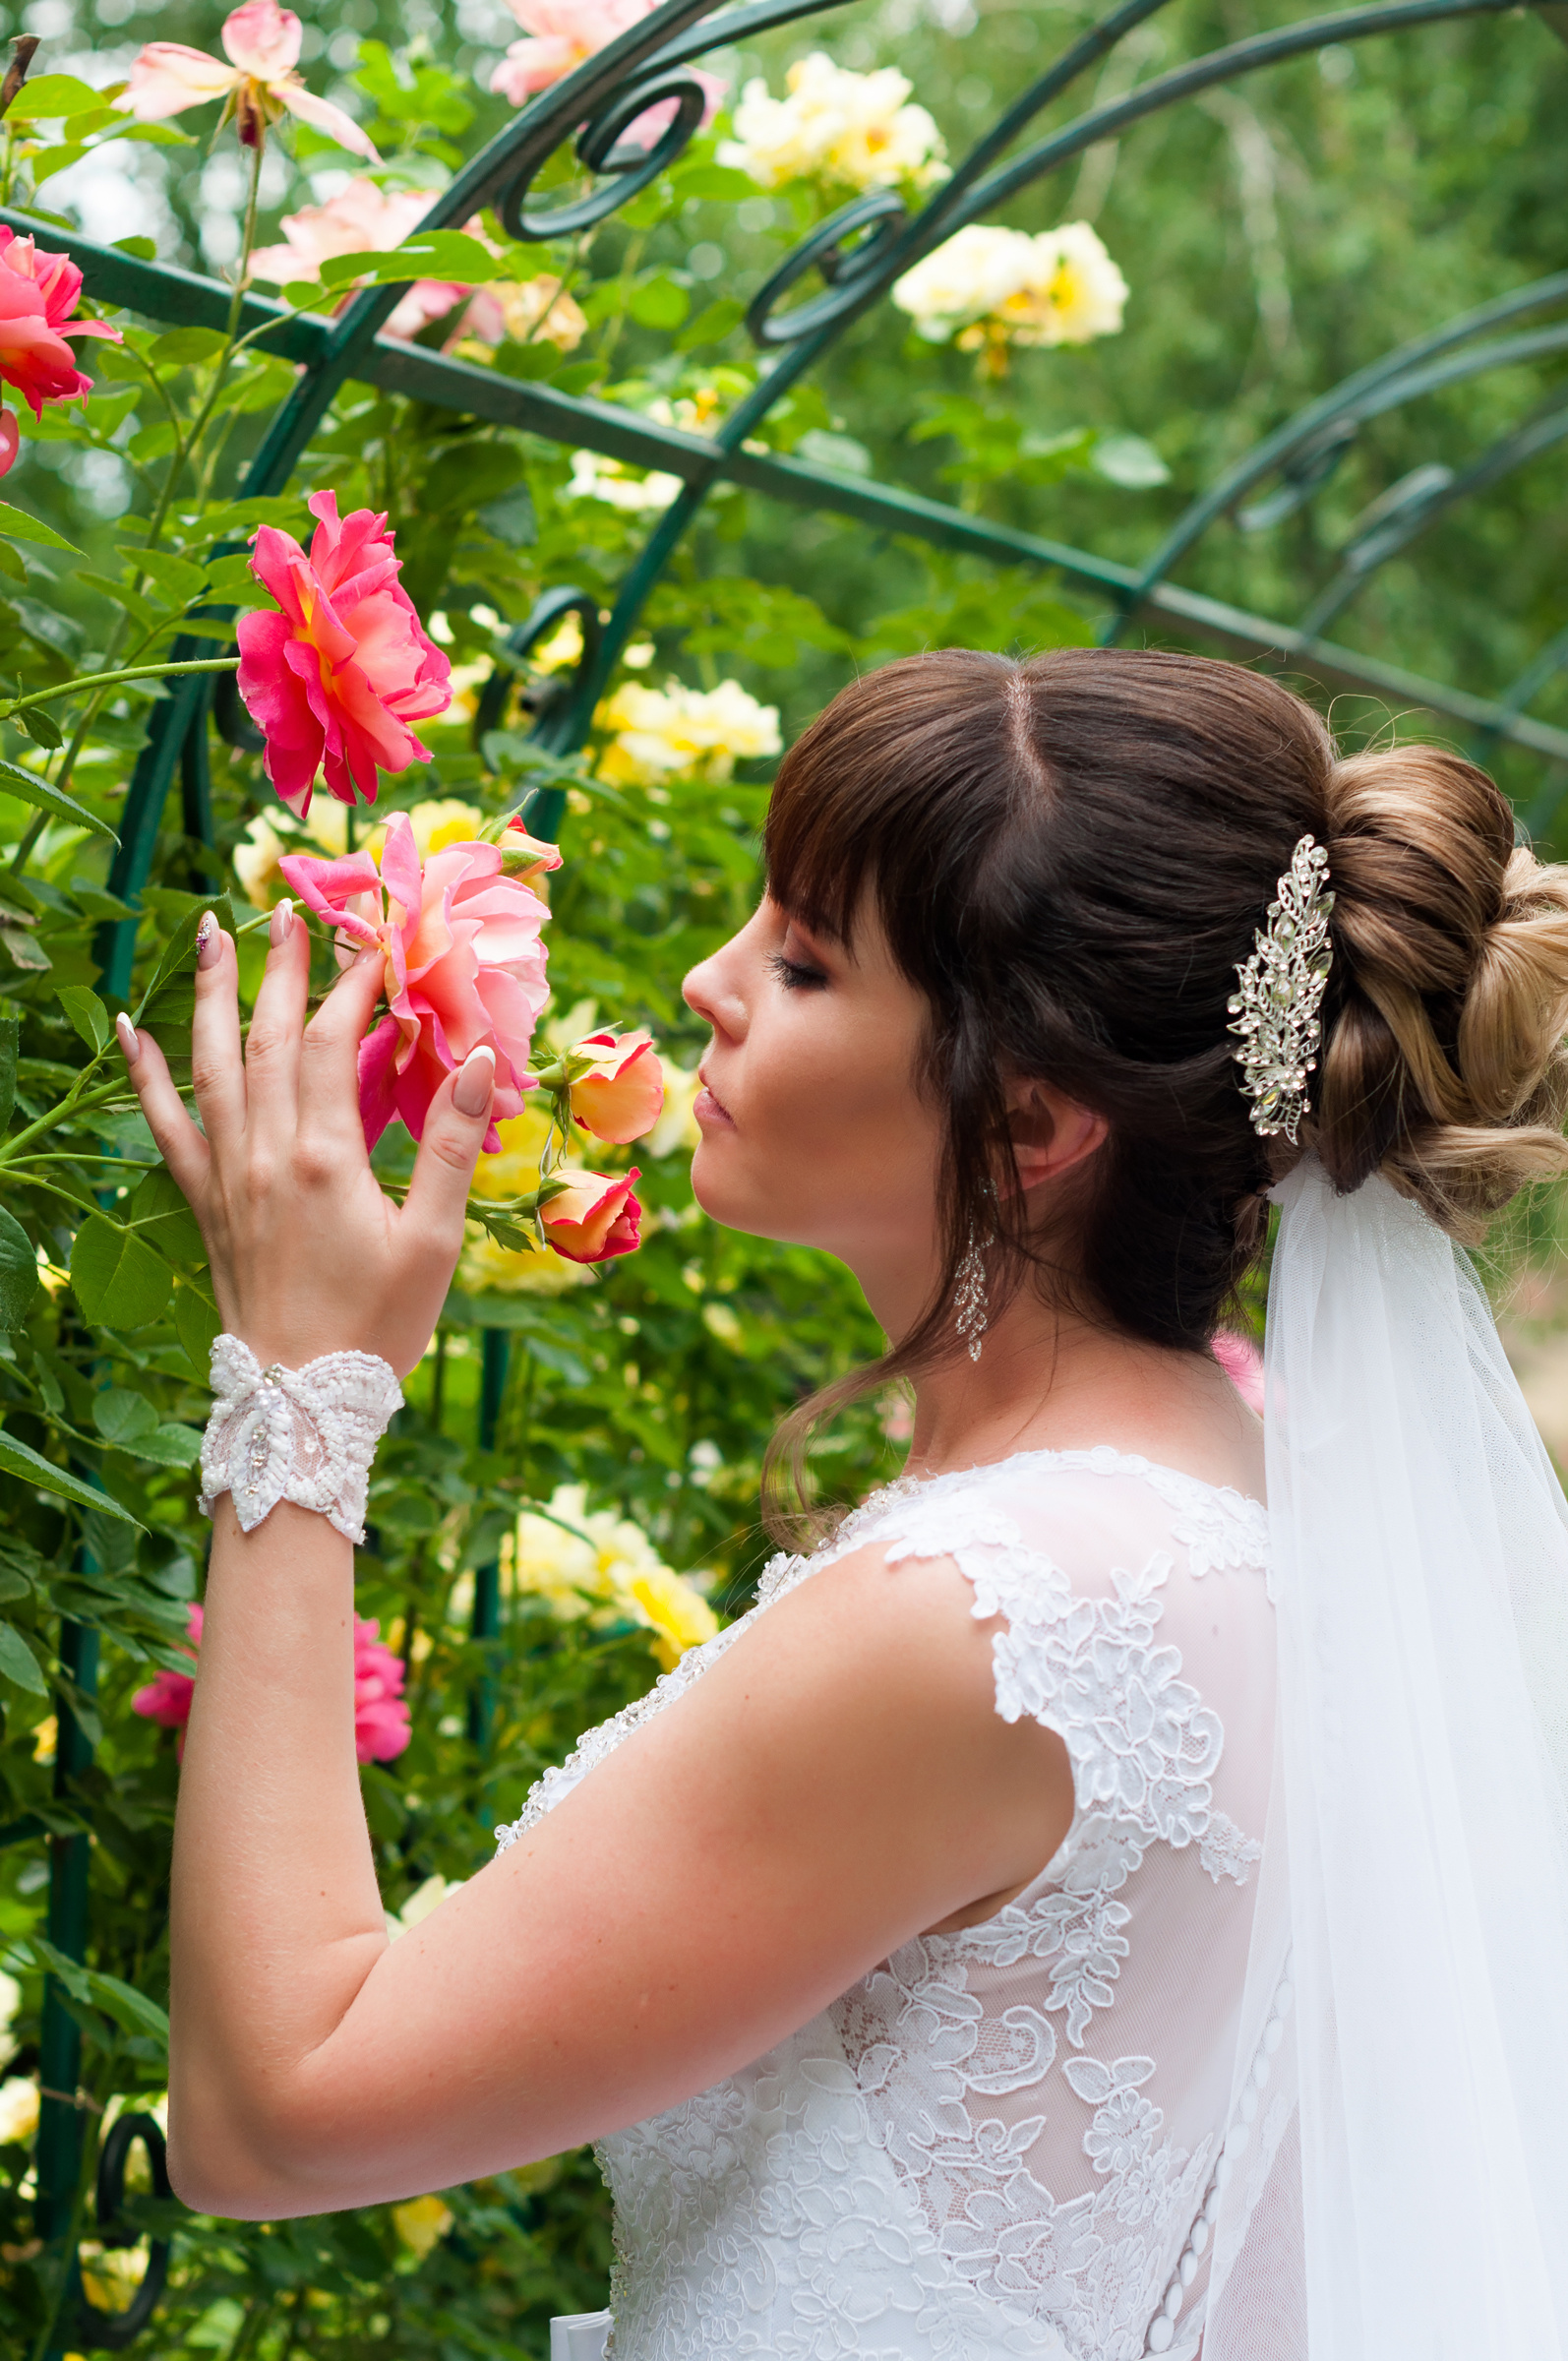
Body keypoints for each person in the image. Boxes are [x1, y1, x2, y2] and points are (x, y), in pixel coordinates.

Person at [117, 647, 1568, 2361]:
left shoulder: (992, 1620)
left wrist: (301, 1394)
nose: (708, 982)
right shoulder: (1243, 1527)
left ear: (1027, 1118)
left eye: (804, 962)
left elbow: (274, 2113)